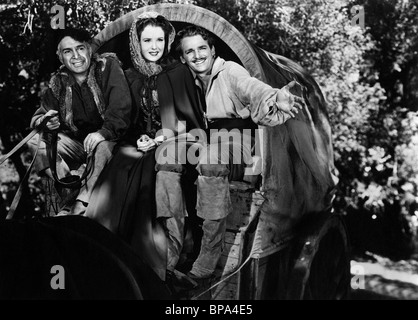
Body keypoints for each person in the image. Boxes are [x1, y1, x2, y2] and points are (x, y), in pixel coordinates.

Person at [155, 25, 305, 282]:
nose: (197, 55)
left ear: (212, 50)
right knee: (167, 155)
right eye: (189, 51)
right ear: (182, 57)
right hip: (204, 138)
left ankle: (211, 250)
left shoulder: (230, 71)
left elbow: (253, 88)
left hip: (236, 140)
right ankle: (172, 246)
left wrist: (275, 98)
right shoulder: (185, 80)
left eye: (202, 48)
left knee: (211, 159)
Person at [84, 12, 200, 292]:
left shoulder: (178, 72)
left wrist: (161, 136)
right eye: (147, 40)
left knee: (151, 171)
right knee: (122, 163)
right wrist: (141, 139)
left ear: (167, 41)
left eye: (159, 39)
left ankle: (151, 262)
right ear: (137, 42)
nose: (154, 46)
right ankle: (103, 253)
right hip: (141, 142)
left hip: (178, 140)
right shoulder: (130, 75)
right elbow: (127, 119)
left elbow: (188, 120)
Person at [27, 27, 131, 215]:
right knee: (36, 141)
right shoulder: (59, 82)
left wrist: (103, 133)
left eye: (80, 48)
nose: (76, 56)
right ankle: (70, 186)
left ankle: (79, 205)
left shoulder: (107, 66)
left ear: (89, 50)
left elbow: (121, 108)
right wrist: (46, 121)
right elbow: (38, 117)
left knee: (101, 147)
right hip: (80, 148)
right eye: (68, 51)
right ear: (61, 57)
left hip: (111, 143)